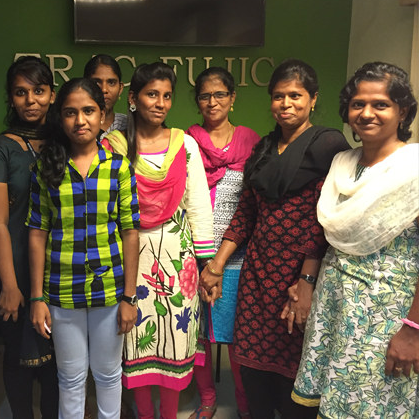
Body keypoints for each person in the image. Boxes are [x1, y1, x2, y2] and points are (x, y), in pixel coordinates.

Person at [199, 59, 350, 419]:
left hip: (300, 278)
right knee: (252, 371)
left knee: (295, 375)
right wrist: (217, 265)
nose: (286, 104)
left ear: (313, 98)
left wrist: (307, 281)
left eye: (295, 95)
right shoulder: (264, 149)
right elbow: (246, 213)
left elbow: (325, 222)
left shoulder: (329, 146)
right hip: (257, 275)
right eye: (279, 96)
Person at [288, 62, 419, 418]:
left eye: (381, 104)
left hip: (388, 318)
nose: (367, 113)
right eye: (358, 104)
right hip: (335, 307)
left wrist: (413, 331)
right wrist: (307, 282)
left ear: (403, 111)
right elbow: (326, 236)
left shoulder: (413, 169)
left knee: (375, 404)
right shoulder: (343, 164)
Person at [103, 62, 215, 419]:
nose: (161, 103)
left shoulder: (185, 145)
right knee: (135, 340)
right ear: (133, 98)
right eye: (152, 94)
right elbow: (105, 207)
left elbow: (198, 205)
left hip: (177, 260)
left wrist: (207, 265)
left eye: (167, 96)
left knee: (174, 340)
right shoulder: (113, 146)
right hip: (131, 259)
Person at [28, 78, 140, 419]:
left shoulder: (119, 168)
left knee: (108, 375)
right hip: (62, 290)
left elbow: (130, 233)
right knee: (71, 377)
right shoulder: (46, 167)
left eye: (89, 111)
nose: (80, 120)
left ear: (102, 115)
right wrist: (37, 298)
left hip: (111, 290)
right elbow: (37, 233)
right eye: (70, 113)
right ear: (60, 118)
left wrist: (130, 298)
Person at [0, 56, 59, 419]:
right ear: (10, 98)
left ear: (52, 94)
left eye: (39, 91)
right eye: (21, 92)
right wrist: (10, 286)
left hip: (60, 266)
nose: (31, 100)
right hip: (14, 263)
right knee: (19, 358)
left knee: (57, 362)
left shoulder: (64, 140)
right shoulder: (1, 147)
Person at [186, 67, 260, 419]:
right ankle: (207, 399)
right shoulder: (187, 141)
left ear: (232, 98)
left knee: (236, 336)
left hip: (235, 256)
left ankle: (245, 406)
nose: (212, 102)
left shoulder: (251, 142)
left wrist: (221, 260)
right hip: (194, 255)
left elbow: (253, 205)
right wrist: (201, 260)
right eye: (205, 95)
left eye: (219, 94)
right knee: (197, 335)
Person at [83, 54, 127, 140]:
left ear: (120, 88)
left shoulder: (129, 125)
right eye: (97, 82)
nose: (104, 89)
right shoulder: (77, 125)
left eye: (111, 82)